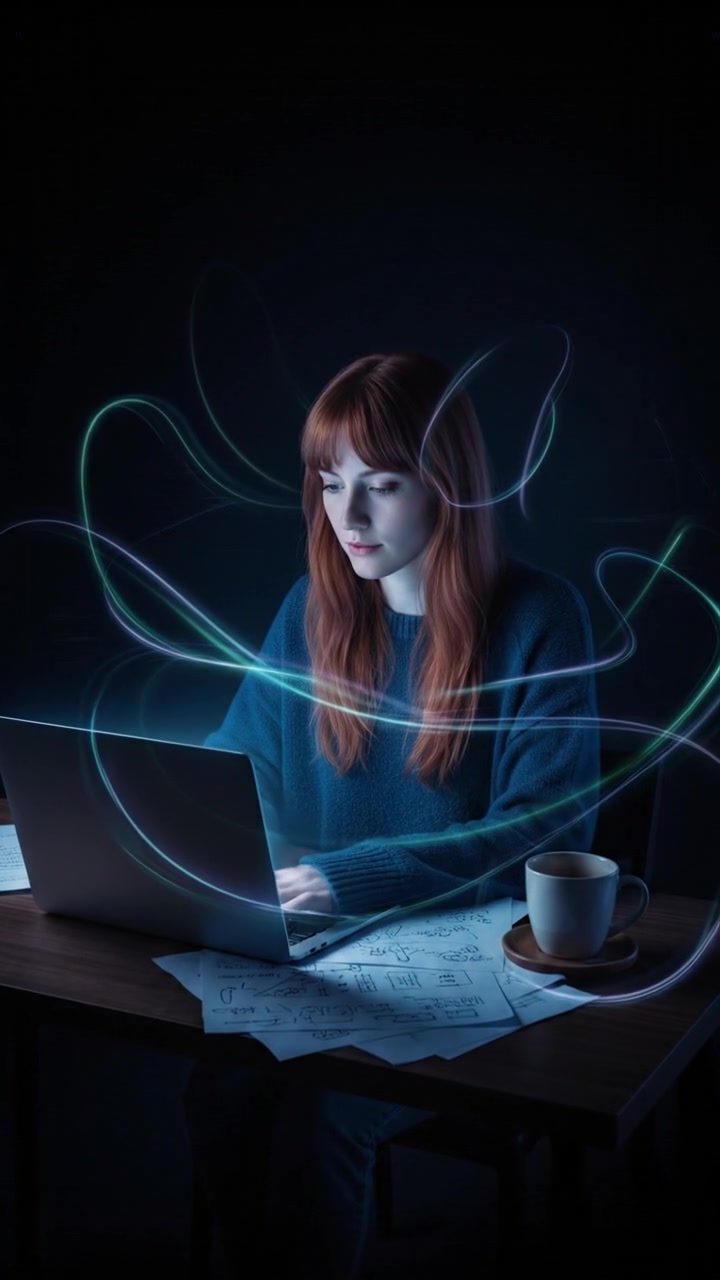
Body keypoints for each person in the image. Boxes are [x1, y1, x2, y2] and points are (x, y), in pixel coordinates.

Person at [184, 351, 600, 1277]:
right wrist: (163, 818)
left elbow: (542, 830)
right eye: (332, 485)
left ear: (444, 486)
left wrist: (348, 876)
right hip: (331, 957)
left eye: (383, 485)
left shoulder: (539, 618)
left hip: (474, 971)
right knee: (217, 1093)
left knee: (319, 1122)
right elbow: (237, 762)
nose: (350, 517)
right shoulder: (309, 610)